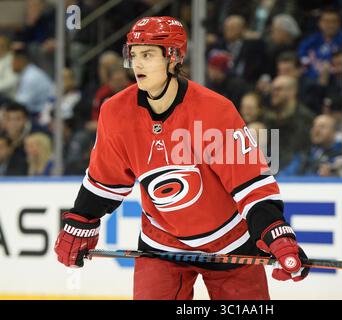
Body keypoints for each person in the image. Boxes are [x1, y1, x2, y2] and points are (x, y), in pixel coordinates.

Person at [54, 16, 309, 300]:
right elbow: (106, 179)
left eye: (147, 55)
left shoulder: (215, 110)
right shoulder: (115, 112)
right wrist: (81, 218)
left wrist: (276, 231)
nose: (137, 64)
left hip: (231, 243)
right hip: (162, 242)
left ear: (173, 57)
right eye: (133, 54)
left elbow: (250, 184)